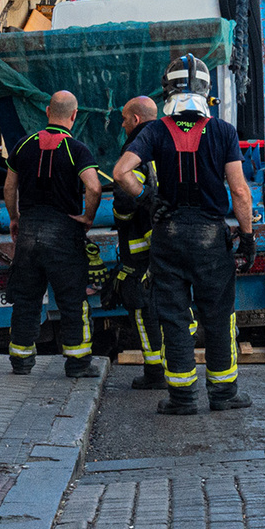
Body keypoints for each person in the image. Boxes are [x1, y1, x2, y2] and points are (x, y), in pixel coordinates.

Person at [113, 54, 256, 415]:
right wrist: (248, 235)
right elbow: (240, 191)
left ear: (168, 90)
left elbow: (120, 172)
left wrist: (148, 199)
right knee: (219, 316)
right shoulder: (223, 131)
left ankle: (182, 398)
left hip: (168, 236)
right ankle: (223, 395)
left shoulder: (154, 131)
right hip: (211, 236)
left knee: (174, 317)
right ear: (206, 91)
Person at [4, 92, 103, 377]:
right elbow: (94, 187)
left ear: (47, 111)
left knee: (26, 299)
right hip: (63, 234)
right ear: (74, 116)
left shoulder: (23, 146)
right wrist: (87, 217)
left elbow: (10, 186)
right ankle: (78, 363)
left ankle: (21, 360)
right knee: (72, 300)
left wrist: (14, 218)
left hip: (29, 231)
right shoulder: (77, 149)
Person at [110, 96, 168, 390]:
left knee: (142, 308)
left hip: (139, 248)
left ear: (135, 119)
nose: (122, 124)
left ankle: (155, 372)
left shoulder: (135, 148)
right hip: (170, 240)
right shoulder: (170, 139)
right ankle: (177, 364)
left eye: (123, 118)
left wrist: (119, 217)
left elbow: (123, 198)